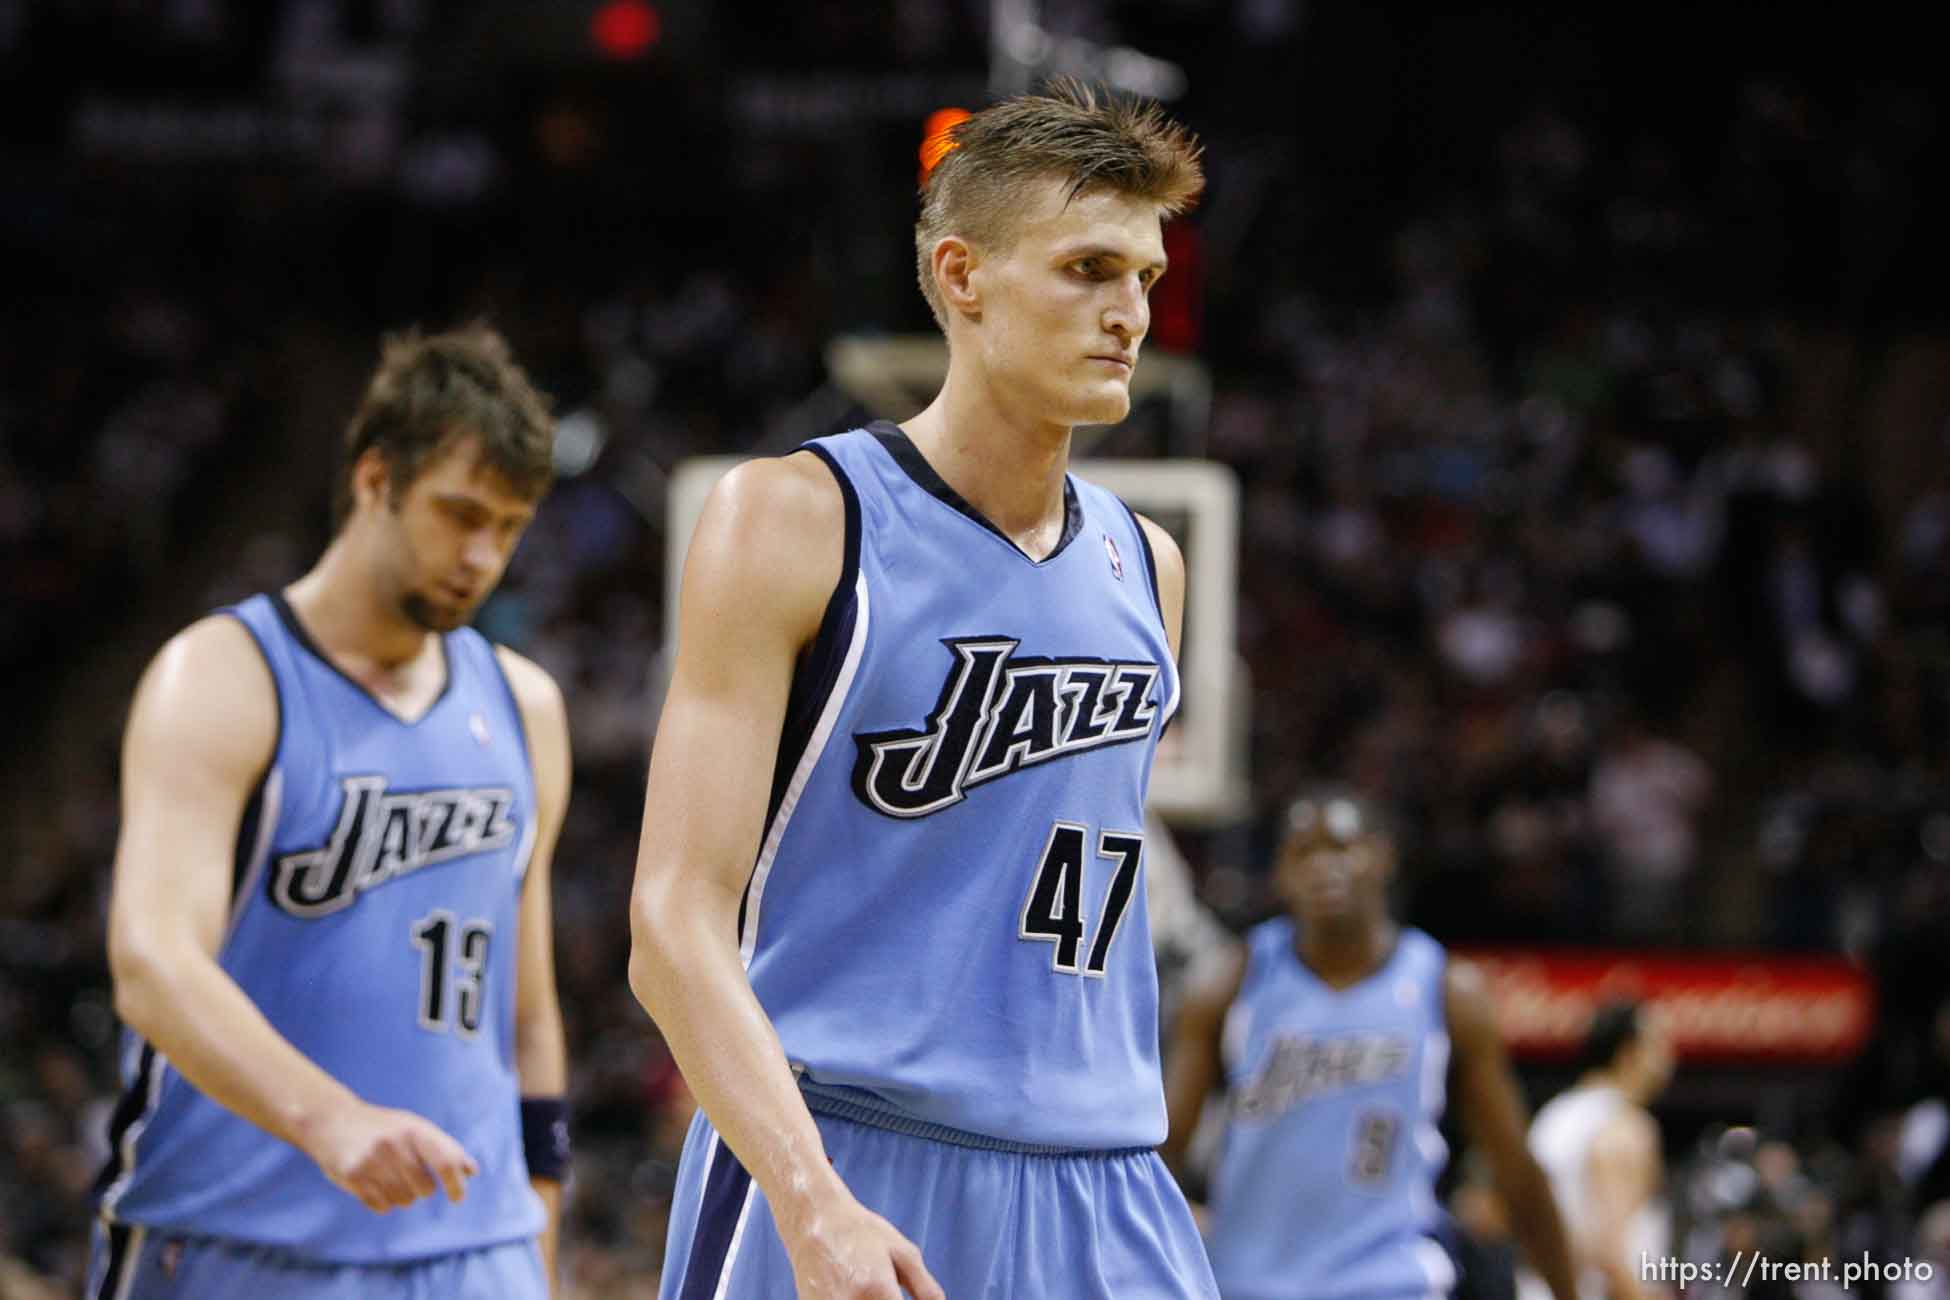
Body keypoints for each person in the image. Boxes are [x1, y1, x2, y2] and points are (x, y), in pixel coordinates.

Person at [629, 80, 1216, 1299]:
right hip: (849, 1155)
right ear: (963, 276)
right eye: (1090, 270)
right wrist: (810, 1200)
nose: (1129, 314)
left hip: (1105, 1172)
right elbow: (673, 922)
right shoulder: (793, 520)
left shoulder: (1147, 563)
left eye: (1146, 280)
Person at [90, 325, 573, 1299]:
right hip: (235, 1239)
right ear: (373, 480)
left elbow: (528, 1011)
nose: (482, 556)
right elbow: (152, 966)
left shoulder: (525, 706)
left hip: (472, 1254)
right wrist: (330, 1117)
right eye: (460, 513)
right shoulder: (222, 678)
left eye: (509, 527)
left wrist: (538, 1224)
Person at [1161, 791, 1580, 1300]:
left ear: (1384, 856)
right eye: (1303, 853)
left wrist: (1567, 1290)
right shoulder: (1231, 982)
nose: (1323, 867)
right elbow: (1162, 1154)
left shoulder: (1445, 990)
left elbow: (1516, 1169)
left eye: (1341, 847)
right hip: (1246, 1284)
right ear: (1279, 876)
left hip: (1391, 1282)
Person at [1524, 1001, 1675, 1300]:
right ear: (1629, 1053)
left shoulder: (1552, 1118)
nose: (1671, 1057)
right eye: (1660, 1044)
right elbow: (1612, 1255)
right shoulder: (1625, 1127)